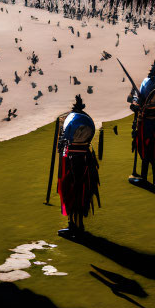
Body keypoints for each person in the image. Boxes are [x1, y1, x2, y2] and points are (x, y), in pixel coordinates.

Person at [57, 95, 101, 237]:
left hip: (71, 160)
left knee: (69, 191)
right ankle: (79, 224)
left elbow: (65, 140)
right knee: (83, 191)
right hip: (86, 158)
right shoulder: (87, 119)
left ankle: (72, 225)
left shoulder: (71, 120)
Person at [128, 60, 155, 185]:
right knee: (141, 146)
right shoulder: (146, 81)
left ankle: (144, 177)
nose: (150, 72)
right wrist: (135, 102)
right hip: (143, 120)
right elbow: (139, 95)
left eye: (152, 70)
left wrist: (139, 107)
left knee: (150, 147)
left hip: (153, 121)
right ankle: (141, 175)